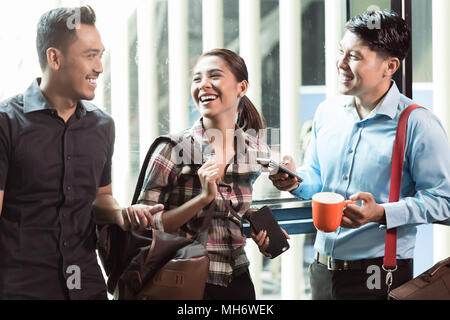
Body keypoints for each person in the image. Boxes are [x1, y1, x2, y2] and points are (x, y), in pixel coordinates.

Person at [255, 10, 450, 300]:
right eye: (340, 52)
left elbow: (443, 202)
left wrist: (381, 213)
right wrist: (295, 181)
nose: (340, 64)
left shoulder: (418, 124)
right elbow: (319, 179)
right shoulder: (327, 113)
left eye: (354, 56)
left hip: (379, 275)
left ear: (390, 66)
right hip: (321, 269)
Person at [0, 6, 163, 300]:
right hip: (21, 288)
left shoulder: (102, 125)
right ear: (55, 58)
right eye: (90, 55)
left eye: (101, 55)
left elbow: (101, 197)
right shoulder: (6, 122)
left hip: (86, 286)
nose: (100, 67)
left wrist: (121, 214)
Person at [137, 48, 271, 300]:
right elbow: (144, 226)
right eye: (197, 78)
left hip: (238, 278)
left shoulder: (255, 151)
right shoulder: (172, 149)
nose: (204, 84)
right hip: (185, 280)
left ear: (242, 87)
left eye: (214, 76)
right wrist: (201, 199)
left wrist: (257, 223)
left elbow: (232, 210)